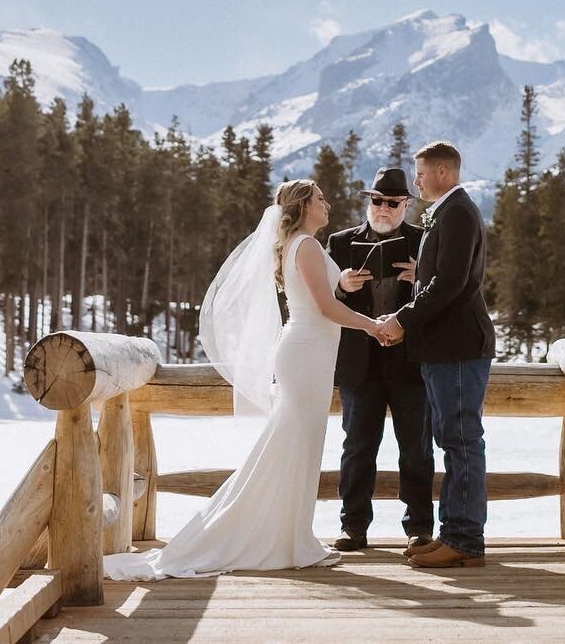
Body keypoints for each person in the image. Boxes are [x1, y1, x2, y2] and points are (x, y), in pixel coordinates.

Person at [103, 178, 386, 579]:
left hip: (312, 355)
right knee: (293, 444)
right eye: (321, 199)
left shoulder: (305, 245)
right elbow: (323, 308)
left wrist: (343, 282)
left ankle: (293, 536)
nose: (328, 205)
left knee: (300, 446)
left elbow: (322, 293)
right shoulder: (305, 245)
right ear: (304, 206)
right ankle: (284, 540)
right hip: (305, 354)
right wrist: (372, 325)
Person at [376, 140, 495, 569]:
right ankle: (452, 532)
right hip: (445, 348)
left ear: (443, 172)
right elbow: (436, 282)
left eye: (421, 173)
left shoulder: (458, 212)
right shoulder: (446, 212)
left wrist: (403, 320)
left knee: (461, 442)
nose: (417, 181)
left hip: (459, 347)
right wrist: (403, 316)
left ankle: (464, 540)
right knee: (452, 441)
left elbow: (448, 283)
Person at [325, 165, 433, 552]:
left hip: (412, 363)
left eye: (391, 202)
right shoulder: (339, 243)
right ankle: (353, 526)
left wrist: (420, 277)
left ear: (406, 204)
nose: (382, 208)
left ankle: (419, 528)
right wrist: (340, 284)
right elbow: (316, 296)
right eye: (376, 200)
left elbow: (446, 294)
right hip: (360, 361)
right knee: (357, 447)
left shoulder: (425, 242)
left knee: (417, 448)